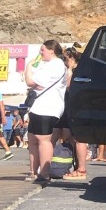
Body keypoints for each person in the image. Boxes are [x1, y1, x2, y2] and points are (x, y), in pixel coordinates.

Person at [24, 40, 68, 185]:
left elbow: (30, 82)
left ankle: (44, 172)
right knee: (33, 139)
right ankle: (34, 171)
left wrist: (28, 67)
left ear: (51, 50)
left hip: (47, 107)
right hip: (39, 106)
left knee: (43, 139)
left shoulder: (56, 65)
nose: (40, 53)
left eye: (42, 50)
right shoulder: (48, 65)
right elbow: (35, 83)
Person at [54, 45, 88, 180]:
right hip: (67, 107)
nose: (64, 61)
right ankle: (71, 164)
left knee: (78, 139)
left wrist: (69, 70)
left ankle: (81, 168)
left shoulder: (77, 71)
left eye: (66, 59)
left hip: (74, 108)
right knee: (68, 137)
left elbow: (68, 87)